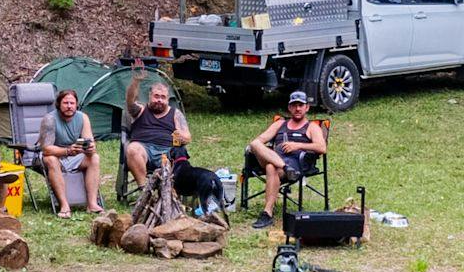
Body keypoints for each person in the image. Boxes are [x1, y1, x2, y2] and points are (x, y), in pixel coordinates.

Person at [120, 79, 224, 216]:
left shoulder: (175, 114)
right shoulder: (140, 110)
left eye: (163, 97)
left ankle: (172, 196)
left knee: (177, 159)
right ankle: (145, 192)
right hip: (144, 149)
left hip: (168, 153)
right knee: (132, 149)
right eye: (156, 96)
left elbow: (188, 137)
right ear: (150, 96)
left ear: (168, 99)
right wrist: (135, 82)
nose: (159, 100)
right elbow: (129, 100)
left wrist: (182, 136)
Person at [245, 91, 328, 222]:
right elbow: (260, 140)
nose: (298, 108)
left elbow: (322, 148)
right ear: (289, 108)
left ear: (307, 107)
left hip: (296, 162)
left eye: (301, 105)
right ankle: (285, 167)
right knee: (255, 143)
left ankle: (267, 213)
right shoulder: (280, 124)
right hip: (277, 159)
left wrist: (297, 145)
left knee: (271, 167)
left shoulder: (312, 127)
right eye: (294, 105)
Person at [35, 86, 99, 213]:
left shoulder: (83, 118)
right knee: (51, 159)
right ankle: (64, 205)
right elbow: (46, 149)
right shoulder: (49, 119)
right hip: (56, 156)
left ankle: (92, 204)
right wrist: (68, 151)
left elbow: (90, 140)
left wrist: (90, 148)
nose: (69, 106)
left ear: (76, 105)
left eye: (72, 103)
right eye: (65, 103)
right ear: (58, 104)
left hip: (74, 155)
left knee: (94, 158)